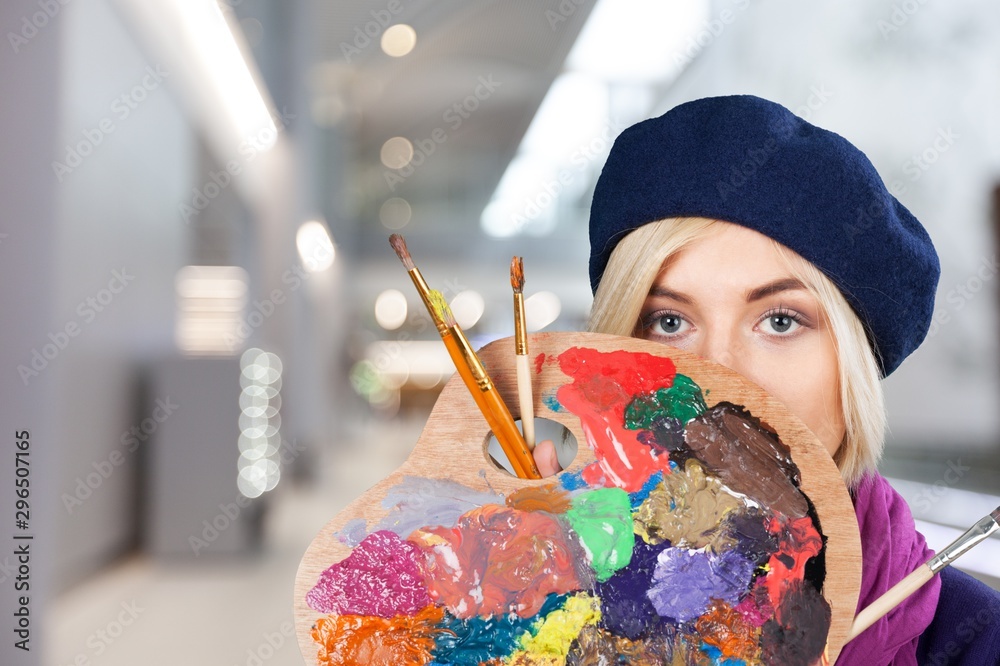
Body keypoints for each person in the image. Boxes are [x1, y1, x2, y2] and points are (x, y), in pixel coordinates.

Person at [530, 95, 1000, 665]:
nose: (720, 378)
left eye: (780, 321)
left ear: (851, 370)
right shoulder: (533, 604)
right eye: (669, 322)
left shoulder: (973, 640)